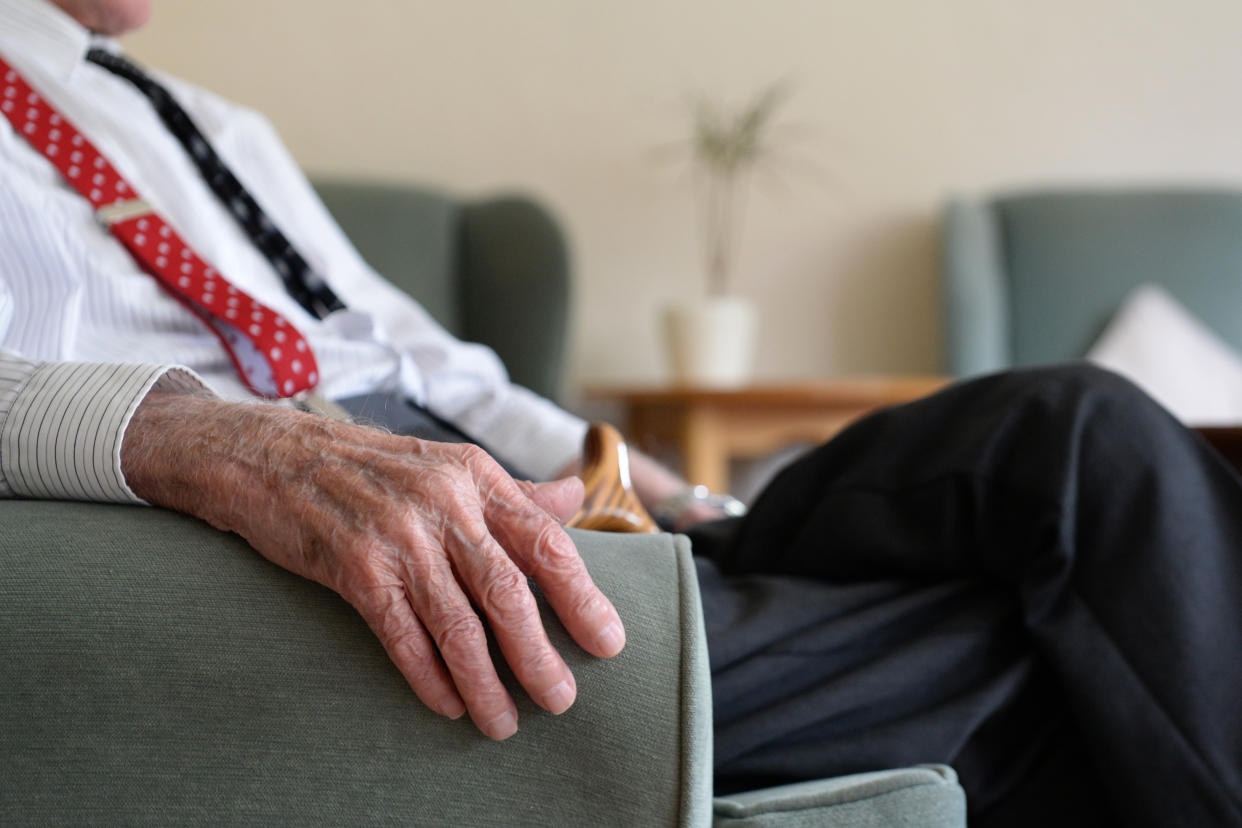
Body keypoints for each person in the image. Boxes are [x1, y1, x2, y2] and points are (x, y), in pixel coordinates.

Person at [1, 2, 1240, 825]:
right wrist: (201, 435)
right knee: (1071, 639)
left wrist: (657, 494)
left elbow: (433, 363)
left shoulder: (211, 126)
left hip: (516, 494)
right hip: (326, 561)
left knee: (1081, 433)